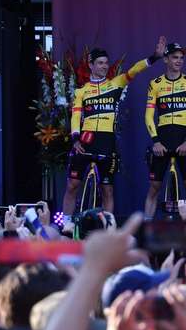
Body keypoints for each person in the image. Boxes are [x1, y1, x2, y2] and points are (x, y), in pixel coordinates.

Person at [63, 36, 166, 215]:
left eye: (106, 63)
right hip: (85, 142)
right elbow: (76, 115)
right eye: (100, 63)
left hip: (107, 142)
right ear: (91, 65)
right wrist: (75, 138)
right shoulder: (81, 91)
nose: (104, 66)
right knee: (72, 186)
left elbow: (134, 70)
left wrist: (154, 57)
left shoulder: (115, 84)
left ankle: (108, 225)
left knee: (107, 190)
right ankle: (66, 225)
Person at [143, 42, 186, 218]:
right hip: (163, 139)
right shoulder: (155, 84)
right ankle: (146, 228)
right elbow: (148, 116)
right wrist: (156, 141)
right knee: (154, 187)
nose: (179, 61)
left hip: (183, 138)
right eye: (175, 57)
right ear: (166, 59)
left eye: (181, 58)